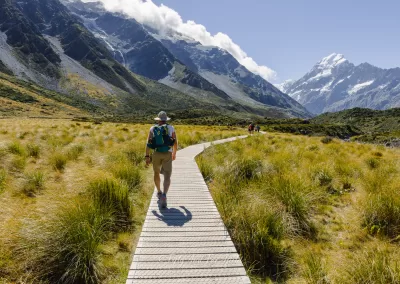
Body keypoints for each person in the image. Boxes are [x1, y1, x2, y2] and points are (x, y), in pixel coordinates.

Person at [145, 111, 178, 208]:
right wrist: (174, 153)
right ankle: (164, 195)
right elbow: (175, 141)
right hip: (167, 153)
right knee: (167, 175)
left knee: (156, 173)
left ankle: (159, 192)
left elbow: (148, 143)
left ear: (158, 120)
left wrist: (147, 156)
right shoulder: (171, 128)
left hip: (156, 153)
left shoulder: (153, 128)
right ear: (166, 120)